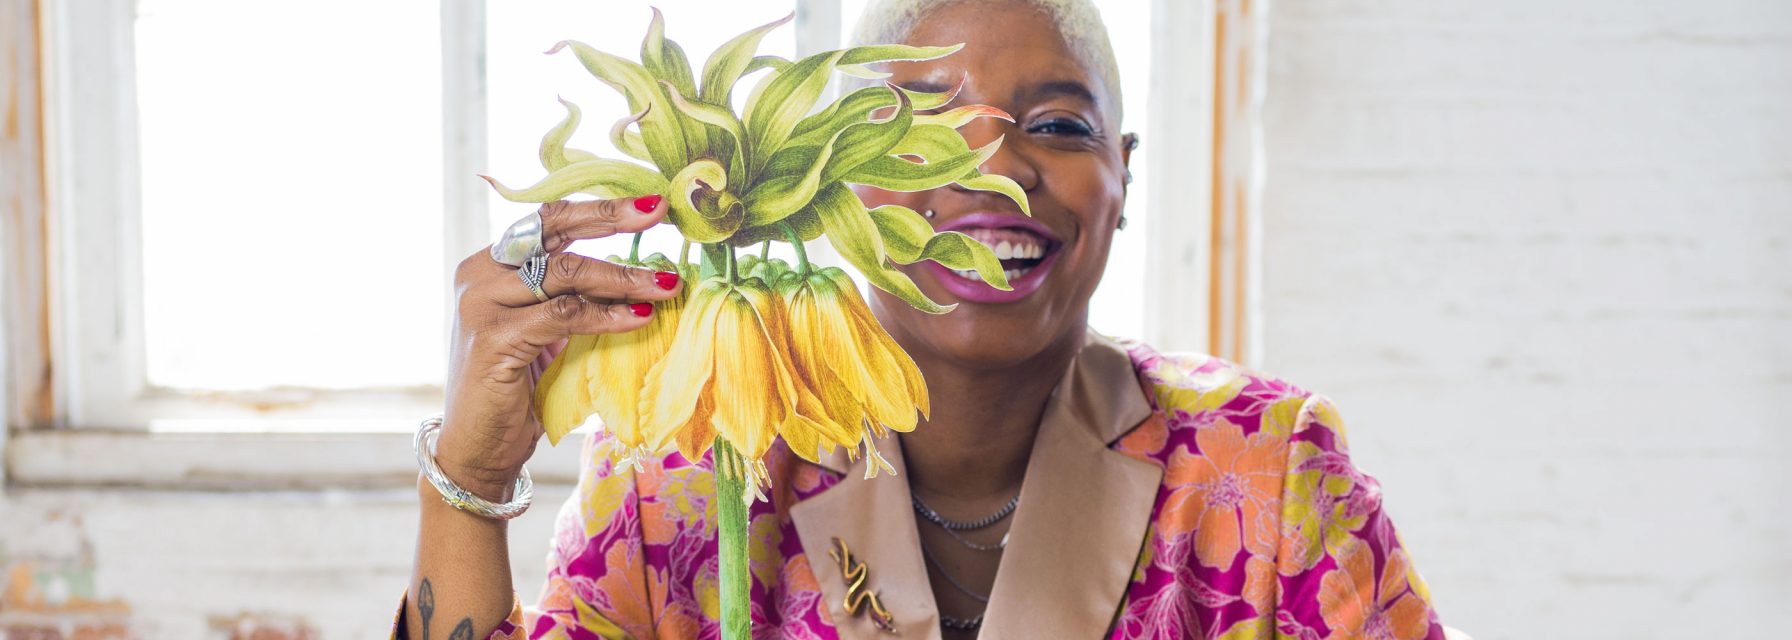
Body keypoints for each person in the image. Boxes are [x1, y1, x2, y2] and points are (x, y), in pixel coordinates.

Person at [397, 0, 1448, 637]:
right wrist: (470, 477)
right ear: (827, 178)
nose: (991, 166)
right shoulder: (688, 462)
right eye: (917, 127)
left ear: (1121, 180)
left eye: (1056, 123)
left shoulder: (1265, 468)